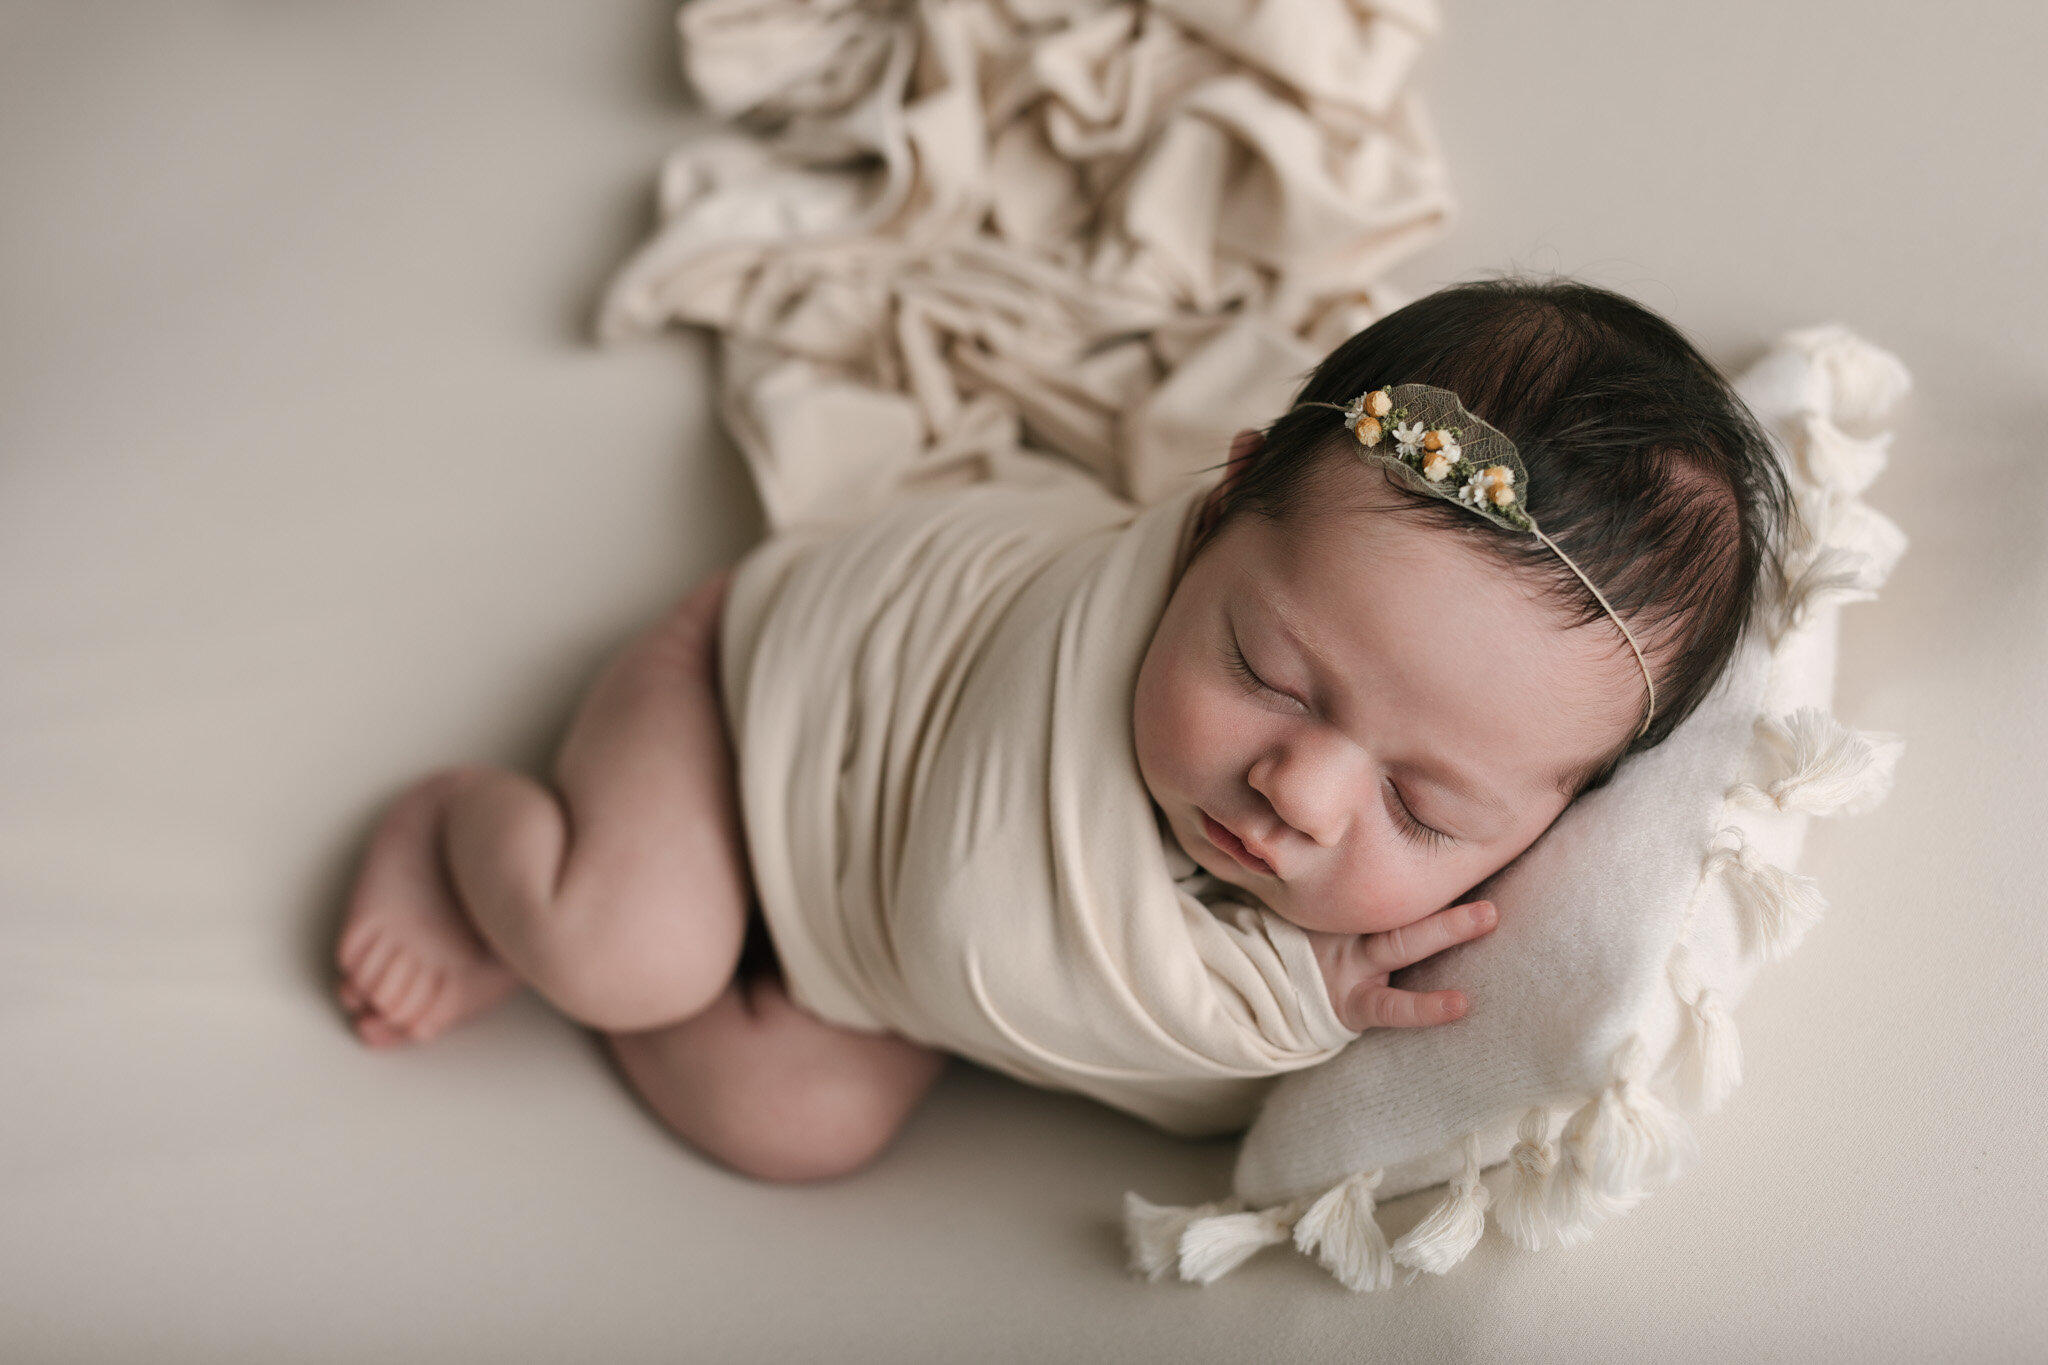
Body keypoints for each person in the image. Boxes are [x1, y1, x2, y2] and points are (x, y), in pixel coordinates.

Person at [333, 279, 1789, 1182]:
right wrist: (1296, 1001)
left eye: (1424, 806)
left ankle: (729, 952)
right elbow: (979, 925)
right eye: (1271, 671)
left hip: (874, 912)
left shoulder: (1376, 812)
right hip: (762, 694)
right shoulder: (1079, 652)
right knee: (627, 948)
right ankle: (465, 837)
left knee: (797, 1122)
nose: (1300, 786)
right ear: (1214, 516)